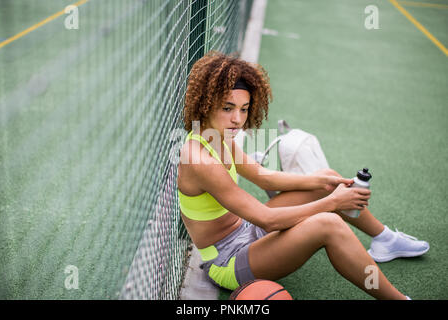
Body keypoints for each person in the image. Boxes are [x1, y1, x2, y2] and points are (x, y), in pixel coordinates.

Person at [176, 51, 429, 300]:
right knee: (329, 224)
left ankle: (385, 240)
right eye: (227, 108)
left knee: (326, 179)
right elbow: (267, 220)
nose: (237, 119)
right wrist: (332, 203)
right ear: (205, 103)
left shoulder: (218, 135)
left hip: (246, 231)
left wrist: (321, 181)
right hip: (228, 261)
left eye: (244, 109)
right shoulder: (199, 159)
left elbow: (263, 176)